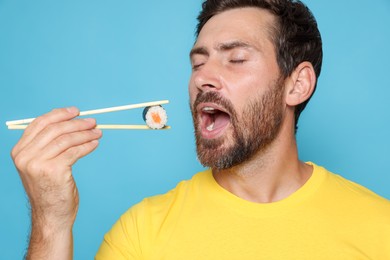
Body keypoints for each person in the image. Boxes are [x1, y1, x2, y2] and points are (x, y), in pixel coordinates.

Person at [11, 0, 390, 259]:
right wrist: (51, 220)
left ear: (297, 85)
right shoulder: (143, 232)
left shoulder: (379, 229)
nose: (203, 78)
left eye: (236, 59)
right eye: (198, 63)